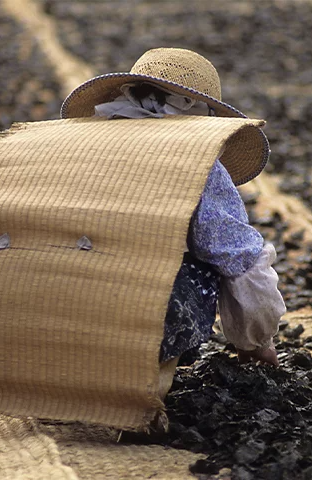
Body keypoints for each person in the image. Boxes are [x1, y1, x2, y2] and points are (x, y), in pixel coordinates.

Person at [61, 48, 286, 367]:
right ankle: (156, 379)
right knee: (204, 262)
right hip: (146, 316)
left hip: (60, 302)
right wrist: (256, 341)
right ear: (200, 110)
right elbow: (236, 254)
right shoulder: (196, 162)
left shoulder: (81, 146)